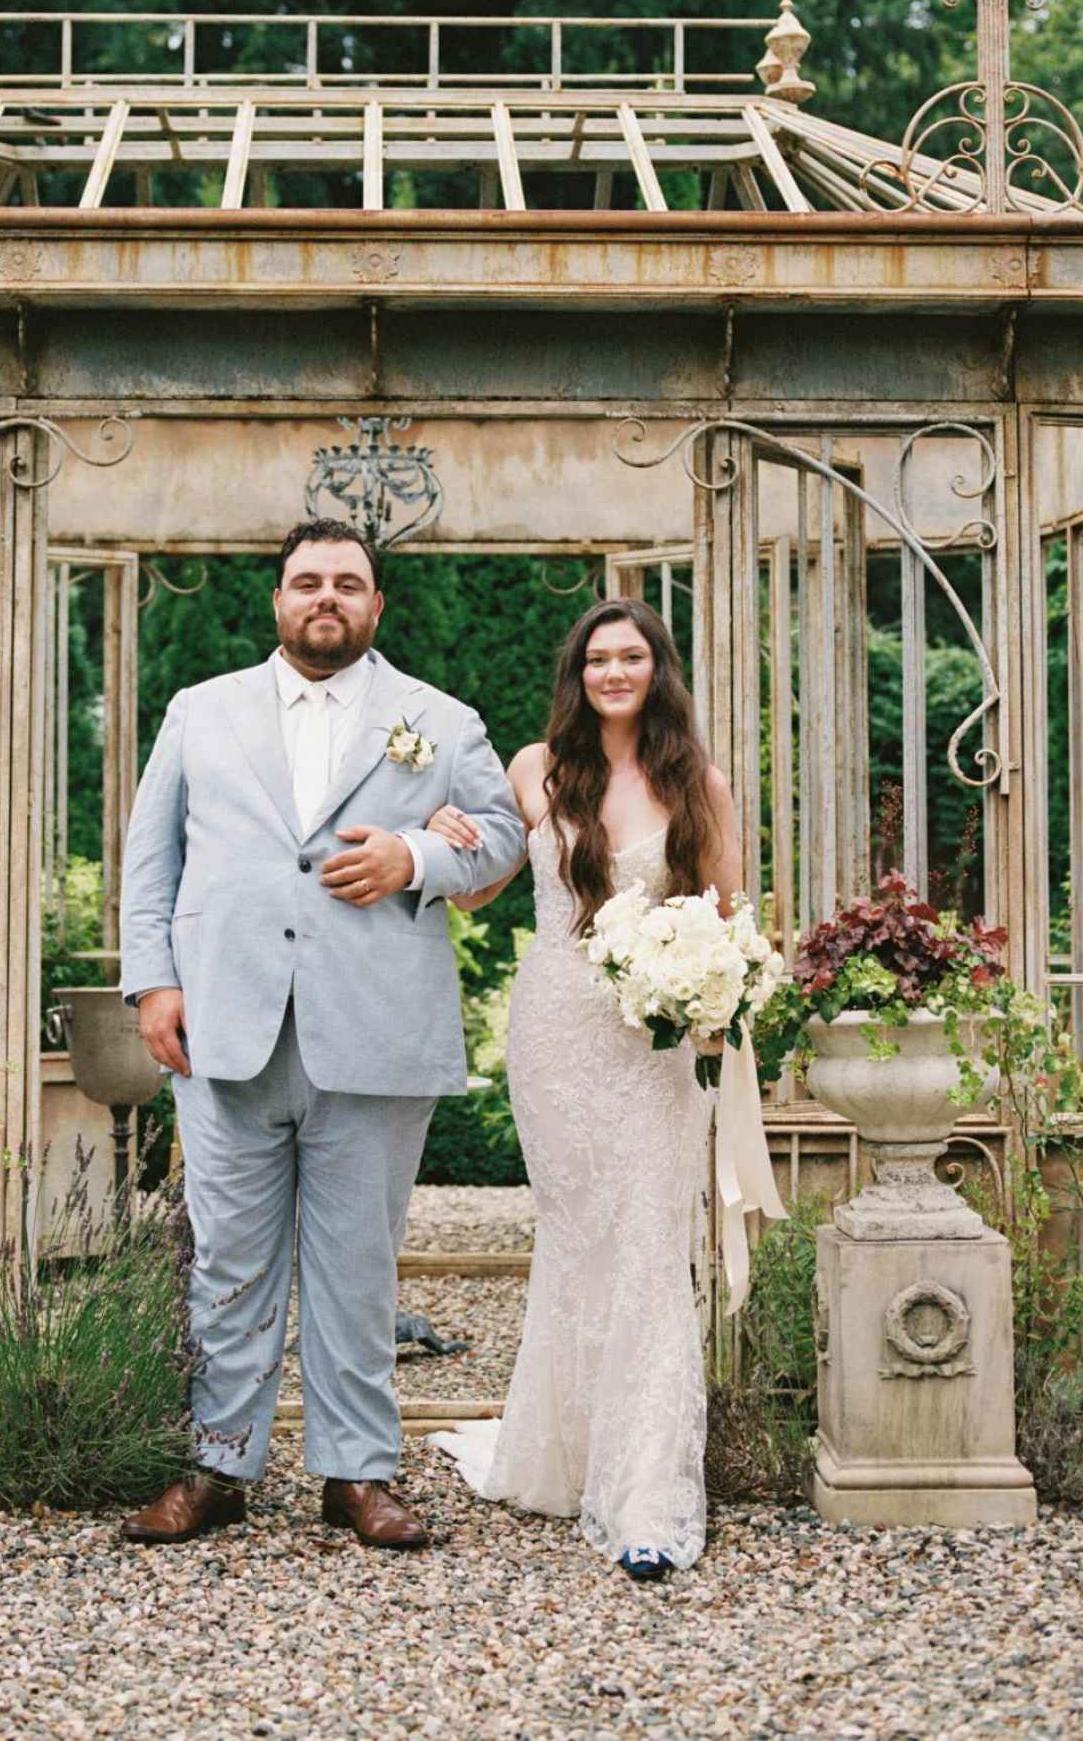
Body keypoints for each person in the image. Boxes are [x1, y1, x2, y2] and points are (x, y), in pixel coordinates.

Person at [118, 518, 524, 1548]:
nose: (326, 597)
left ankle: (357, 1474)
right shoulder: (200, 710)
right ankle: (218, 1467)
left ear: (376, 605)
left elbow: (502, 837)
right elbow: (150, 859)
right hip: (225, 1027)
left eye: (347, 582)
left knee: (358, 1267)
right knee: (227, 1264)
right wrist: (153, 983)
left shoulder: (438, 718)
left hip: (375, 1030)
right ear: (278, 600)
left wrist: (413, 858)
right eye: (308, 581)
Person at [428, 597, 752, 1579]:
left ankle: (645, 1494)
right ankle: (570, 1457)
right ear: (578, 672)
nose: (614, 671)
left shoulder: (696, 780)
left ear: (658, 669)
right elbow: (479, 890)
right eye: (598, 657)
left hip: (653, 1042)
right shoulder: (537, 768)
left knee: (649, 1244)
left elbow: (727, 911)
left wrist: (709, 993)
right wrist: (445, 836)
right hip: (556, 1032)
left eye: (632, 656)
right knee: (577, 1241)